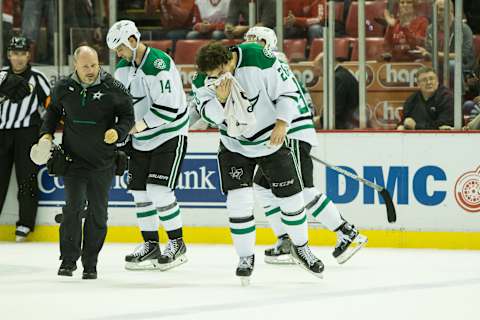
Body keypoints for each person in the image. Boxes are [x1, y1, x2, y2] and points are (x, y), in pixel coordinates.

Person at [193, 42, 325, 284]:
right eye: (210, 77)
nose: (214, 80)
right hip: (233, 145)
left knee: (292, 198)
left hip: (269, 140)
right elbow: (211, 113)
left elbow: (287, 91)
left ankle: (302, 248)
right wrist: (222, 102)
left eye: (218, 74)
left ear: (228, 62)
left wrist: (283, 122)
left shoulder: (259, 58)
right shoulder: (203, 77)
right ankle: (245, 257)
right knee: (238, 203)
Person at [245, 26, 367, 265]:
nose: (247, 44)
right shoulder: (273, 62)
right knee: (263, 186)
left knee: (302, 190)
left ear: (264, 43)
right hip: (288, 134)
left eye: (252, 40)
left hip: (290, 135)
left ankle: (347, 232)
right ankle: (286, 240)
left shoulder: (265, 63)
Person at [35, 46, 134, 279]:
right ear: (75, 66)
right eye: (85, 66)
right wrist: (45, 134)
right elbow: (51, 113)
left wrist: (118, 132)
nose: (90, 70)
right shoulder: (63, 88)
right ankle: (68, 261)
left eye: (94, 65)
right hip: (73, 162)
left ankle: (91, 263)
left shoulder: (114, 88)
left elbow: (128, 117)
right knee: (73, 209)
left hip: (103, 162)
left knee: (98, 214)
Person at [106, 20, 189, 271]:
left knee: (159, 191)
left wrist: (134, 127)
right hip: (140, 139)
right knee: (140, 194)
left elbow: (168, 108)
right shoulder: (123, 67)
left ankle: (177, 243)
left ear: (132, 41)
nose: (118, 55)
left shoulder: (158, 64)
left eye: (119, 48)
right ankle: (151, 244)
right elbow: (120, 104)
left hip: (169, 134)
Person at [0, 36, 49, 242]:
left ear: (28, 55)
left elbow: (51, 104)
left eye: (22, 53)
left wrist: (46, 130)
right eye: (15, 53)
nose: (18, 58)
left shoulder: (37, 77)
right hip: (2, 133)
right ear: (9, 54)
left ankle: (25, 223)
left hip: (27, 134)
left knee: (27, 180)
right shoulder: (1, 76)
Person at [417, 0, 476, 78]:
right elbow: (429, 50)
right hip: (438, 63)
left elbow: (462, 55)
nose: (437, 12)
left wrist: (439, 55)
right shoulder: (430, 29)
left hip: (462, 65)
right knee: (418, 65)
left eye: (441, 9)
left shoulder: (463, 29)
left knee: (451, 65)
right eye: (435, 9)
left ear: (451, 11)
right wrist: (426, 53)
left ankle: (456, 90)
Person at [312, 52, 359, 129]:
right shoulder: (343, 74)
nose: (318, 75)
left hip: (344, 128)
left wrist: (318, 121)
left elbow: (336, 111)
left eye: (318, 70)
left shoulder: (337, 79)